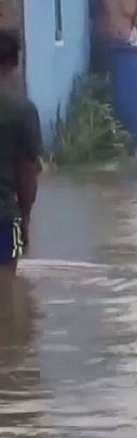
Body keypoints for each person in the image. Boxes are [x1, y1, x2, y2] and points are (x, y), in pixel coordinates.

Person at [0, 29, 42, 275]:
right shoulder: (23, 110)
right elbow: (28, 175)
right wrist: (24, 221)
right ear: (16, 60)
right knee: (6, 287)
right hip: (6, 218)